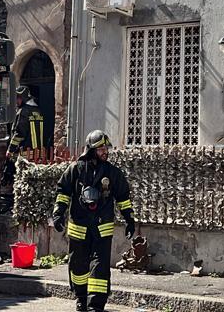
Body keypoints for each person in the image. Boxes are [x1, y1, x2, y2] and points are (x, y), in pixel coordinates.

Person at [51, 130, 137, 312]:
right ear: (90, 150)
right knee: (78, 265)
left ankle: (95, 305)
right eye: (101, 149)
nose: (105, 152)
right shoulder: (75, 169)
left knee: (100, 267)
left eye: (106, 148)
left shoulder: (113, 173)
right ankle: (81, 298)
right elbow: (63, 192)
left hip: (102, 227)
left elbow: (123, 197)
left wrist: (129, 218)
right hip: (79, 227)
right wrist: (58, 212)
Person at [0, 85, 45, 212]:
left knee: (22, 180)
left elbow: (19, 134)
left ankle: (20, 206)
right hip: (38, 152)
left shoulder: (23, 112)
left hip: (25, 153)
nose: (16, 102)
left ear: (23, 98)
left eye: (17, 98)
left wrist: (10, 149)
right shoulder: (38, 111)